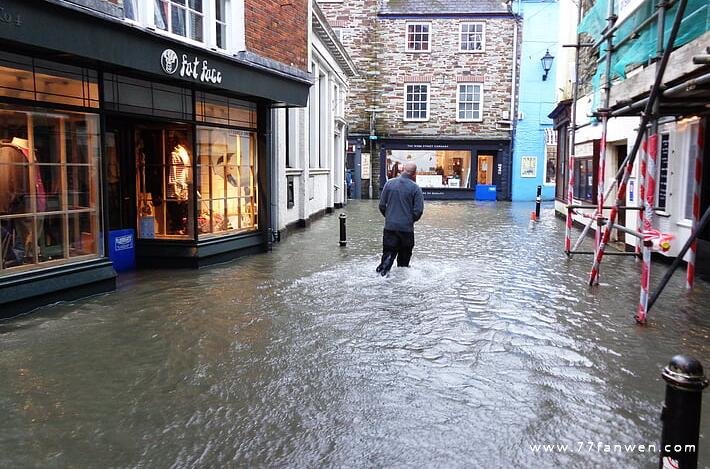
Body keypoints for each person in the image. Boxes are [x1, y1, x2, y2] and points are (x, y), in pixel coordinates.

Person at [376, 161, 424, 276]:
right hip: (406, 230)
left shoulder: (389, 184)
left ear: (402, 170)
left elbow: (382, 205)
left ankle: (381, 277)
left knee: (387, 258)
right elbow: (418, 211)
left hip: (390, 228)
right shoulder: (416, 189)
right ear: (414, 174)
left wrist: (389, 217)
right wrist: (409, 220)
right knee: (403, 266)